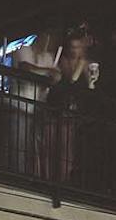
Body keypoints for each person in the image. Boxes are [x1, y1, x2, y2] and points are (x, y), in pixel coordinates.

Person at [46, 24, 99, 185]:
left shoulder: (86, 65)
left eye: (76, 47)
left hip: (72, 114)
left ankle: (63, 181)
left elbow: (89, 89)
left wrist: (91, 81)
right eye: (71, 47)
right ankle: (51, 179)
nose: (73, 50)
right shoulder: (62, 62)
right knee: (51, 148)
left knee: (66, 150)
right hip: (57, 108)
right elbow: (66, 83)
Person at [9, 23, 65, 177]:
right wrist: (47, 73)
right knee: (18, 146)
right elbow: (25, 68)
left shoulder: (48, 57)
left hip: (37, 109)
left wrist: (51, 75)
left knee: (34, 149)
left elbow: (57, 76)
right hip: (19, 105)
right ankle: (17, 177)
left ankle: (32, 177)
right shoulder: (23, 50)